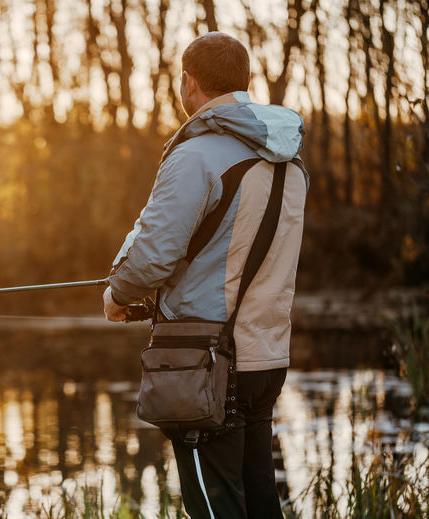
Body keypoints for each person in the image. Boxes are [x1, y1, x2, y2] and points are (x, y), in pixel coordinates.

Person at [102, 32, 308, 518]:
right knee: (260, 503)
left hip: (207, 366)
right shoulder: (290, 163)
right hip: (266, 359)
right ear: (245, 82)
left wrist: (117, 292)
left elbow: (152, 256)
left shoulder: (196, 155)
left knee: (214, 510)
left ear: (188, 82)